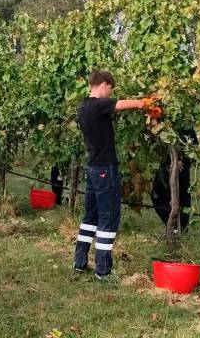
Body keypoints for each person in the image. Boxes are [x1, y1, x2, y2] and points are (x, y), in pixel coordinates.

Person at [73, 70, 159, 280]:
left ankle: (79, 262)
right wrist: (145, 103)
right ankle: (103, 271)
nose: (110, 92)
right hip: (104, 169)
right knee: (108, 218)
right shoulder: (97, 105)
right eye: (110, 88)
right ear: (103, 85)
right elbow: (120, 104)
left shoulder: (83, 107)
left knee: (90, 217)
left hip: (93, 168)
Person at [151, 129, 197, 233]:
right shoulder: (167, 125)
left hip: (178, 169)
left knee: (180, 198)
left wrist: (180, 159)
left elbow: (193, 149)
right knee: (160, 196)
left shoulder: (184, 127)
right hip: (168, 167)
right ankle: (175, 227)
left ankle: (178, 229)